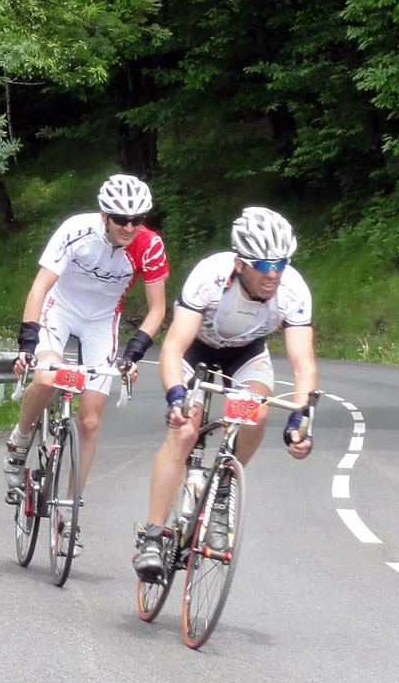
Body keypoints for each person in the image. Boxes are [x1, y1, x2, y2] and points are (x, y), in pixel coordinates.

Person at [133, 206, 316, 580]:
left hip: (246, 354)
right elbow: (172, 348)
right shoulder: (209, 276)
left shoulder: (293, 290)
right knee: (184, 430)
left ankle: (222, 492)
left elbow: (304, 366)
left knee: (256, 413)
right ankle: (152, 536)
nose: (274, 273)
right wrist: (175, 398)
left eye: (281, 263)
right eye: (264, 265)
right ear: (240, 263)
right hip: (195, 352)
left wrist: (300, 420)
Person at [5, 173, 169, 556]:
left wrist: (134, 353)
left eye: (137, 219)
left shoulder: (149, 246)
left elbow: (158, 308)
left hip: (101, 321)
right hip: (59, 310)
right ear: (104, 214)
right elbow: (40, 288)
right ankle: (21, 438)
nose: (129, 227)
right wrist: (27, 343)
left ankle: (68, 516)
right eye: (120, 219)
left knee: (91, 421)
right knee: (46, 379)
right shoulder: (76, 230)